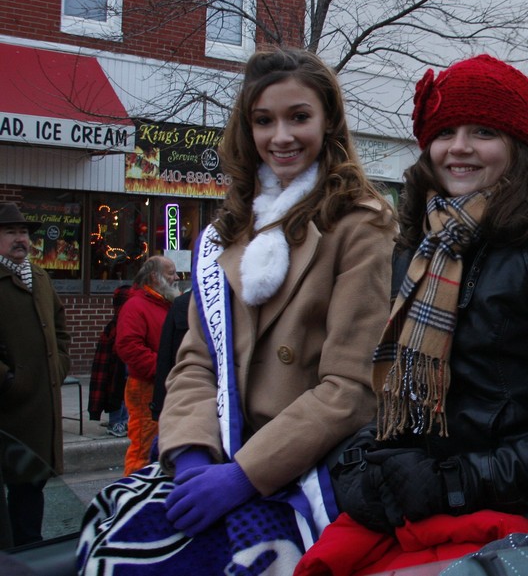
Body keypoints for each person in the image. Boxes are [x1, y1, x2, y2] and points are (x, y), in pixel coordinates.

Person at [300, 54, 528, 573]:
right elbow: (396, 395)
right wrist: (362, 465)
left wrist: (455, 481)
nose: (459, 148)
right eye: (445, 130)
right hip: (426, 502)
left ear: (520, 148)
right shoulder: (420, 246)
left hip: (522, 509)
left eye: (483, 131)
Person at [78, 46, 395, 574]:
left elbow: (352, 388)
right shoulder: (229, 230)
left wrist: (243, 477)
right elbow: (196, 362)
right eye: (263, 121)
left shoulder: (360, 225)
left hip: (300, 468)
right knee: (111, 528)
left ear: (328, 122)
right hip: (216, 455)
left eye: (299, 117)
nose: (282, 136)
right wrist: (195, 460)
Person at [0, 202, 70, 548]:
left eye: (24, 233)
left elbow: (60, 330)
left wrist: (58, 365)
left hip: (40, 409)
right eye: (11, 232)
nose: (20, 240)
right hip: (7, 407)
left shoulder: (39, 277)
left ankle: (28, 549)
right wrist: (9, 380)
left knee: (32, 483)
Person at [116, 255, 180, 474]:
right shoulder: (136, 305)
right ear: (155, 277)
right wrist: (162, 369)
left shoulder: (165, 304)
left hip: (166, 384)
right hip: (146, 387)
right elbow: (129, 347)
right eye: (171, 273)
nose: (177, 277)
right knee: (143, 447)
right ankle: (132, 492)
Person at [87, 285, 131, 438]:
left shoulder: (118, 325)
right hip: (117, 366)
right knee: (117, 390)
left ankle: (122, 421)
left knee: (123, 391)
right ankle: (116, 421)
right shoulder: (115, 327)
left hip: (123, 364)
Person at [149, 288, 190, 422]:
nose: (177, 277)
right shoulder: (181, 304)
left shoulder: (179, 304)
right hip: (184, 391)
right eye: (171, 273)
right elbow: (165, 356)